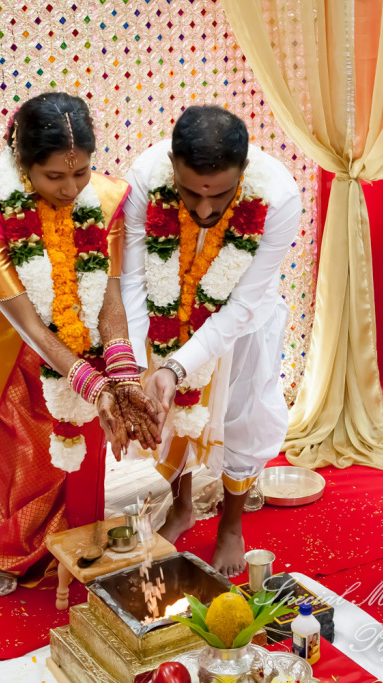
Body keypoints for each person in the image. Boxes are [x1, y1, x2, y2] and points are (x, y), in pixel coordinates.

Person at [0, 92, 159, 587]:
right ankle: (23, 542)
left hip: (84, 331)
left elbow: (110, 295)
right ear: (22, 163)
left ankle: (76, 536)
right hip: (10, 339)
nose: (70, 188)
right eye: (54, 177)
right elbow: (29, 325)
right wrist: (94, 385)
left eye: (79, 174)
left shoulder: (104, 199)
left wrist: (120, 374)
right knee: (23, 445)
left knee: (87, 434)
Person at [121, 106, 301, 576]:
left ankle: (231, 527)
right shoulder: (145, 176)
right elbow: (135, 280)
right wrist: (146, 362)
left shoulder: (279, 197)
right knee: (171, 411)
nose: (203, 211)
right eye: (188, 193)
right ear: (172, 166)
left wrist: (176, 366)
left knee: (242, 414)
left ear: (243, 173)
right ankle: (182, 508)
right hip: (167, 308)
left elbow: (239, 307)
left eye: (219, 196)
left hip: (244, 322)